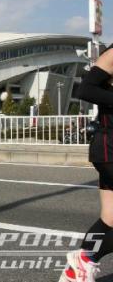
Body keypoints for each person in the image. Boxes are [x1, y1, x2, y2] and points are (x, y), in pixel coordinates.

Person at [58, 44, 113, 282]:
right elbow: (86, 89)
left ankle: (78, 267)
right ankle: (83, 261)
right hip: (110, 146)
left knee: (111, 218)